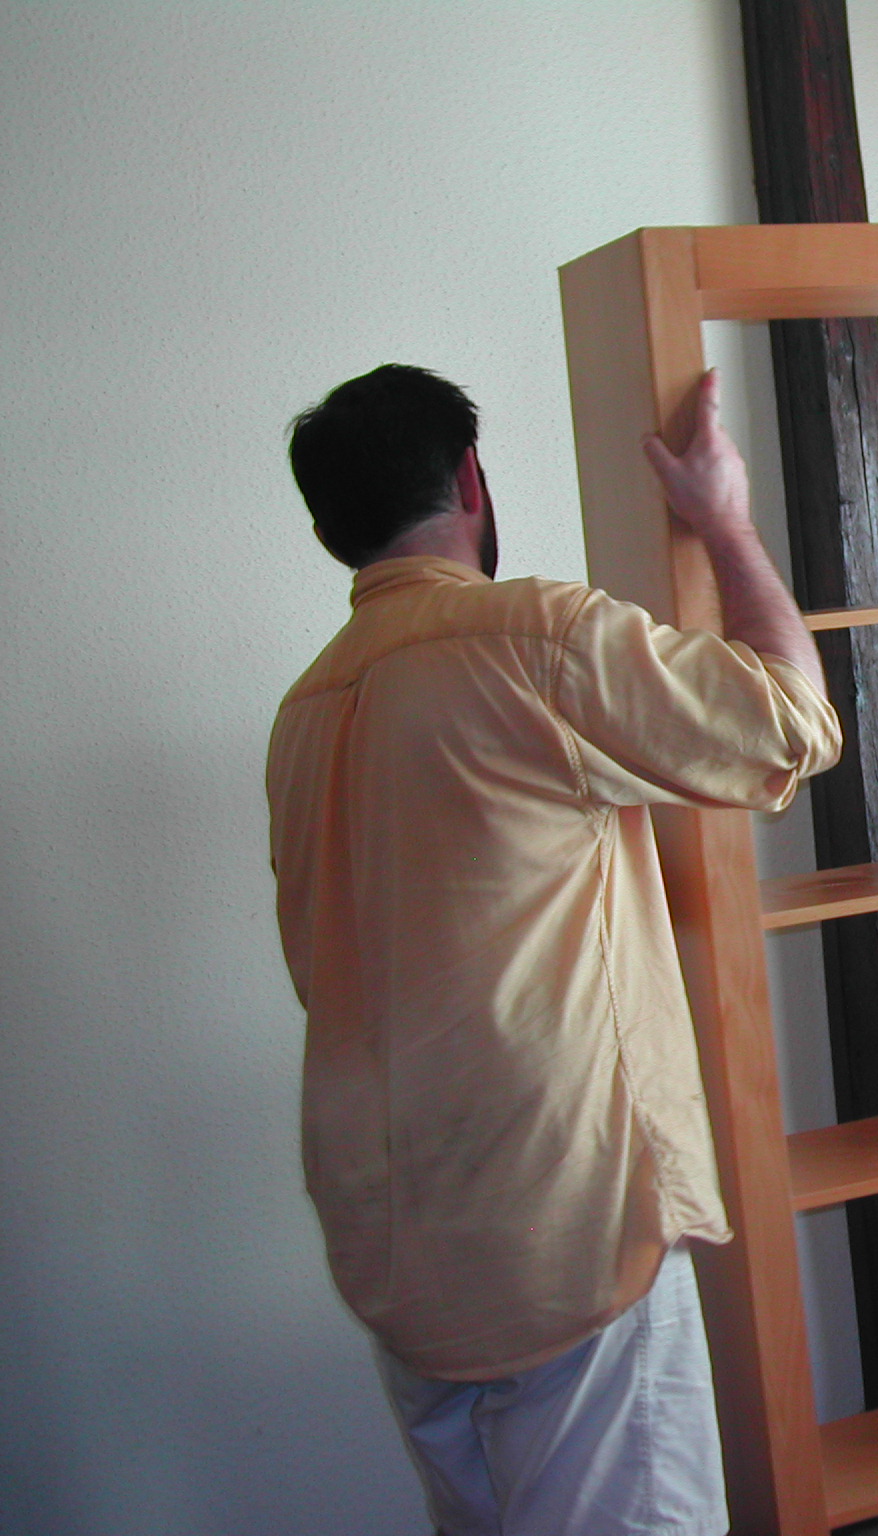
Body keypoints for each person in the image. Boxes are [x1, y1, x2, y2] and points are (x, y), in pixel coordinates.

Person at [267, 363, 840, 1536]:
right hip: (560, 1219)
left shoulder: (306, 709)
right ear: (469, 479)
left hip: (397, 1234)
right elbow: (790, 723)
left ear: (330, 532)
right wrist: (725, 524)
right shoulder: (528, 638)